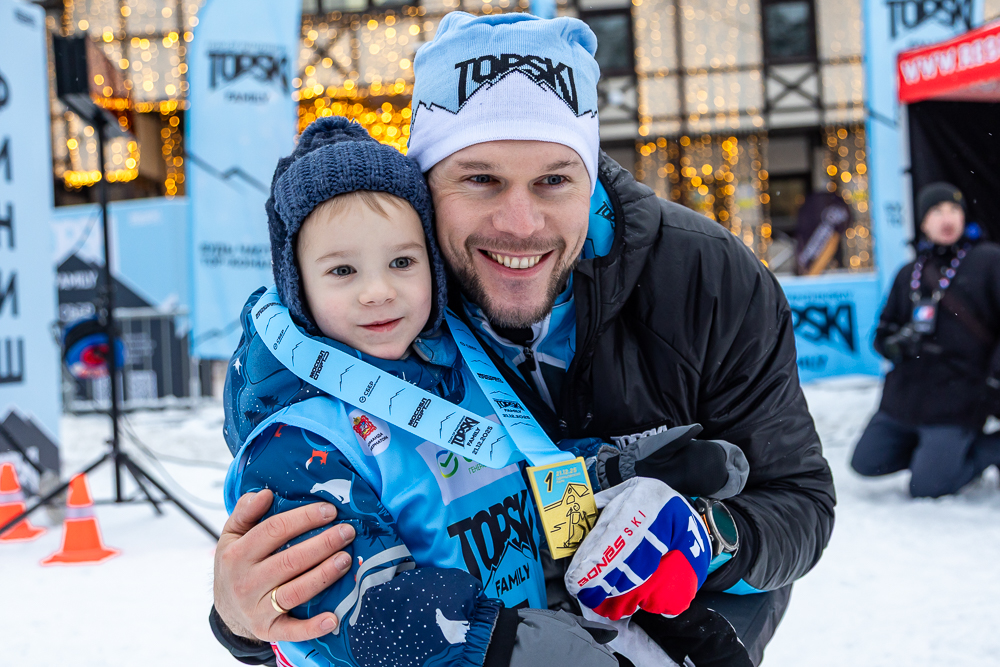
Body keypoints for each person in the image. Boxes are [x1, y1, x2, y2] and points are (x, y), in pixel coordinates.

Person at [212, 12, 835, 666]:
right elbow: (333, 595)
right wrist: (244, 618)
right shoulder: (382, 316)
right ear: (426, 192)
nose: (519, 222)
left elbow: (798, 497)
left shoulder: (705, 277)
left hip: (672, 627)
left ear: (590, 178)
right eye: (480, 179)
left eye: (553, 180)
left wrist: (708, 532)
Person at [851, 182, 1000, 498]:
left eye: (954, 210)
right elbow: (882, 332)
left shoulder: (988, 260)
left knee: (928, 487)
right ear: (923, 222)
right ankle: (937, 453)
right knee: (865, 462)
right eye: (937, 211)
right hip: (905, 397)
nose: (946, 218)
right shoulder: (910, 272)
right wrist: (894, 344)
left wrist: (993, 380)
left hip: (959, 397)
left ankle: (983, 450)